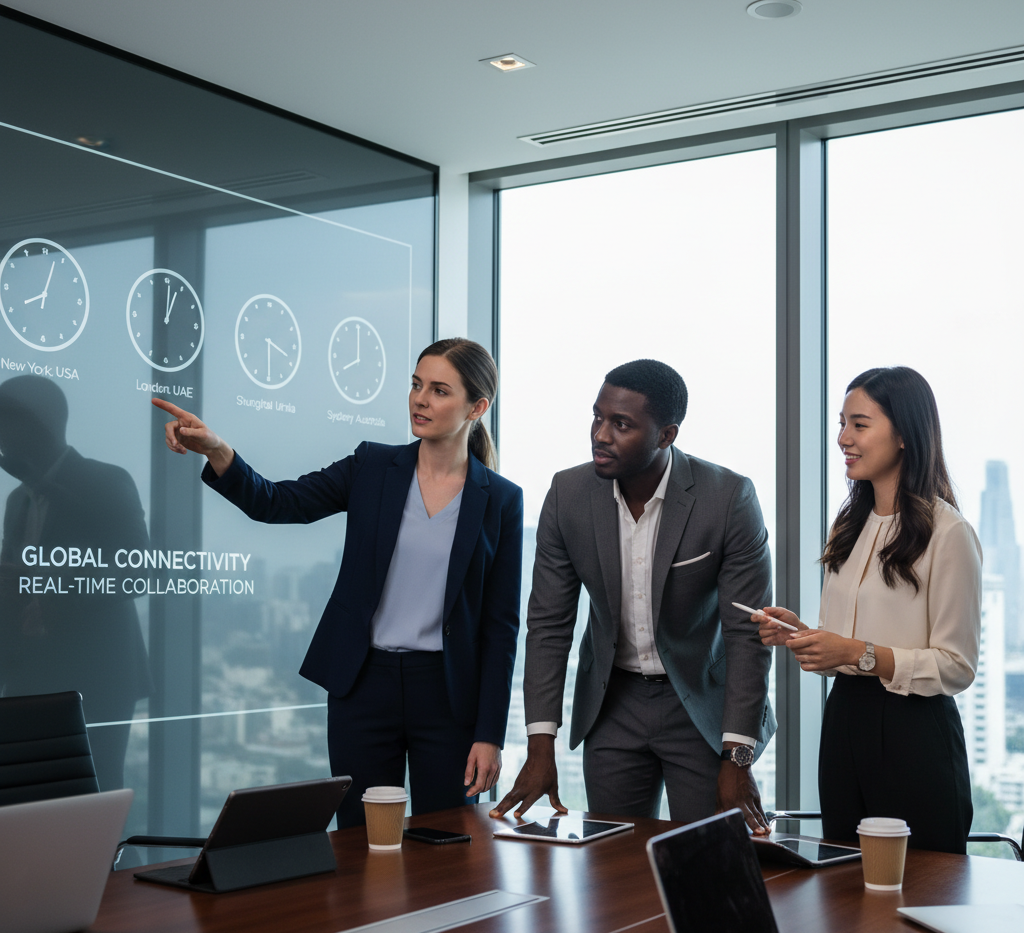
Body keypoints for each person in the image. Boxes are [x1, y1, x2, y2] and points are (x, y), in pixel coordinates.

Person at [153, 338, 523, 827]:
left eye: (438, 390)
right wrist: (218, 450)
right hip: (363, 685)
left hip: (449, 697)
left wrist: (490, 733)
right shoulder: (372, 467)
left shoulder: (500, 499)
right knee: (362, 840)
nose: (419, 400)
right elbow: (278, 502)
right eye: (416, 386)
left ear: (478, 406)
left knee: (450, 844)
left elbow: (501, 627)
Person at [493, 359, 775, 830]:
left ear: (666, 435)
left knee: (711, 865)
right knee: (611, 870)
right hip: (612, 705)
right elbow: (548, 625)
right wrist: (540, 743)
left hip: (701, 707)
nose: (600, 434)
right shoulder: (568, 494)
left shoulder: (728, 498)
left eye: (621, 424)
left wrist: (738, 756)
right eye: (597, 417)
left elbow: (747, 635)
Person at [754, 366, 979, 854]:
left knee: (923, 885)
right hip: (845, 722)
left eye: (859, 424)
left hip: (915, 730)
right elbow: (847, 642)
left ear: (903, 434)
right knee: (844, 880)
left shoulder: (949, 533)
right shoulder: (848, 528)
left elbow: (957, 666)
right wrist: (803, 634)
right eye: (841, 424)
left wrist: (859, 653)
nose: (842, 438)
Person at [0, 376, 150, 791]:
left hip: (96, 677)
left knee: (97, 795)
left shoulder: (106, 482)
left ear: (36, 426)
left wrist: (46, 589)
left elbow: (136, 570)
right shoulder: (17, 500)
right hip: (32, 676)